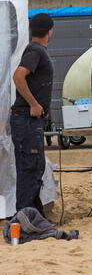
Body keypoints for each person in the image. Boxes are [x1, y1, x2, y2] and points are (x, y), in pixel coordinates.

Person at [10, 13, 54, 218]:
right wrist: (34, 104)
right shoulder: (36, 50)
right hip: (27, 119)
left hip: (28, 120)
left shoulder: (34, 50)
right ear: (49, 31)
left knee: (35, 167)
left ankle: (35, 216)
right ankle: (26, 218)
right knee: (30, 167)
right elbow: (18, 76)